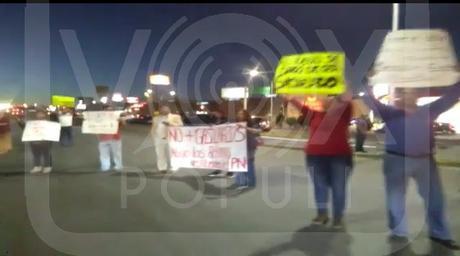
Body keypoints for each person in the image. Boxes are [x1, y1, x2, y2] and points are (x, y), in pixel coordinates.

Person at [363, 80, 460, 250]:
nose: (411, 95)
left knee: (435, 200)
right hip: (396, 161)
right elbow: (371, 102)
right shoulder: (390, 112)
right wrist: (367, 83)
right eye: (407, 92)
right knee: (396, 200)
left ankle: (439, 234)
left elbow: (450, 98)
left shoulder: (428, 110)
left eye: (413, 92)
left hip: (426, 161)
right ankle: (399, 234)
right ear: (400, 96)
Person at [283, 90, 353, 230]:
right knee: (319, 187)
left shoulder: (343, 111)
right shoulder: (314, 113)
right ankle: (322, 214)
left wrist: (341, 86)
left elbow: (346, 97)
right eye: (320, 97)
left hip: (339, 156)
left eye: (327, 96)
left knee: (338, 189)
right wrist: (290, 97)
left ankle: (337, 218)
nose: (322, 99)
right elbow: (299, 106)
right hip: (315, 156)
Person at [228, 109, 261, 190]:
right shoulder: (235, 124)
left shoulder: (251, 123)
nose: (239, 115)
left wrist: (245, 127)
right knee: (238, 165)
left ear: (246, 115)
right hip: (238, 148)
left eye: (241, 114)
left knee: (249, 165)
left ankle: (250, 182)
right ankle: (240, 182)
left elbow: (258, 131)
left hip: (249, 147)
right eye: (238, 113)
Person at [151, 105, 183, 174]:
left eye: (166, 109)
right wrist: (153, 137)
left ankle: (174, 166)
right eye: (162, 109)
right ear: (160, 110)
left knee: (173, 153)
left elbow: (180, 125)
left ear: (169, 110)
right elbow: (153, 128)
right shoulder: (156, 118)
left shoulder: (176, 117)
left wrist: (170, 124)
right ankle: (162, 168)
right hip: (159, 138)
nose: (164, 110)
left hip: (172, 139)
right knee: (160, 154)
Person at [97, 106, 126, 172]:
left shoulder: (117, 118)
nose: (109, 111)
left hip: (115, 138)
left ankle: (119, 165)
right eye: (107, 110)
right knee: (103, 153)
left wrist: (121, 120)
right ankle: (105, 166)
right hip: (103, 139)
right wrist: (98, 136)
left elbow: (123, 125)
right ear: (103, 111)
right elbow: (95, 127)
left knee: (117, 153)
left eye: (111, 110)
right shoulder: (100, 118)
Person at [207, 110, 235, 178]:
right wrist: (211, 126)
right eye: (213, 113)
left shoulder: (226, 120)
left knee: (227, 157)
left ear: (220, 113)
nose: (214, 114)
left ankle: (231, 171)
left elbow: (230, 128)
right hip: (218, 142)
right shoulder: (214, 120)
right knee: (218, 157)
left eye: (216, 113)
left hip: (226, 142)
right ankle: (218, 170)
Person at [28, 108, 55, 174]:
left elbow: (53, 129)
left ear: (44, 114)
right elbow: (26, 129)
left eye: (41, 113)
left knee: (46, 154)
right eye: (38, 113)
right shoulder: (32, 122)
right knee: (36, 154)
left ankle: (47, 166)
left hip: (46, 141)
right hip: (34, 141)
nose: (39, 115)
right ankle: (37, 166)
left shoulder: (49, 122)